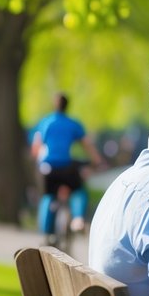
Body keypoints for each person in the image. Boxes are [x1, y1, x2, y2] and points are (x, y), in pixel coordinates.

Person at [31, 92, 102, 239]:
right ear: (67, 106)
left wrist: (38, 162)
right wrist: (97, 161)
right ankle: (77, 219)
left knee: (48, 195)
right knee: (79, 191)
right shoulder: (73, 124)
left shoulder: (45, 122)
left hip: (48, 168)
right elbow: (87, 145)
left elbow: (36, 146)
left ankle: (45, 230)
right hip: (66, 168)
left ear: (54, 105)